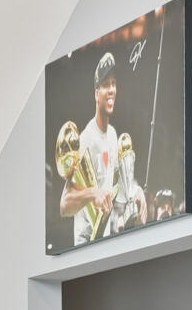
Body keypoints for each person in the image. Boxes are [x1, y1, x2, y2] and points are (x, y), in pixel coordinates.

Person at [56, 51, 145, 245]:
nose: (112, 89)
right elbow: (64, 206)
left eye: (114, 83)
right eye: (106, 85)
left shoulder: (113, 135)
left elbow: (117, 189)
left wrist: (135, 191)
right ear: (97, 93)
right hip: (84, 244)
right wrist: (92, 194)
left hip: (104, 241)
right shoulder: (85, 139)